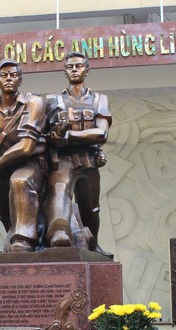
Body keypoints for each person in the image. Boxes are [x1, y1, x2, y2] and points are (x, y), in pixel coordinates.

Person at [0, 58, 47, 252]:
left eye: (13, 75)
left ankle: (25, 241)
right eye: (4, 75)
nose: (8, 79)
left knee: (20, 181)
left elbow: (26, 146)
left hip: (31, 165)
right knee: (6, 216)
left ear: (20, 80)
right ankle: (15, 240)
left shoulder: (34, 103)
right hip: (2, 169)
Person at [44, 52, 112, 254]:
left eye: (79, 66)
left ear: (87, 70)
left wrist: (69, 135)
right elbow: (48, 134)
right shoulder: (53, 101)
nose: (74, 69)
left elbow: (101, 133)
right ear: (65, 71)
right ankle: (59, 234)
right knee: (60, 194)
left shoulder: (100, 99)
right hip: (63, 160)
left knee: (91, 208)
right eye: (70, 66)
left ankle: (93, 244)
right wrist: (57, 136)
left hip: (88, 160)